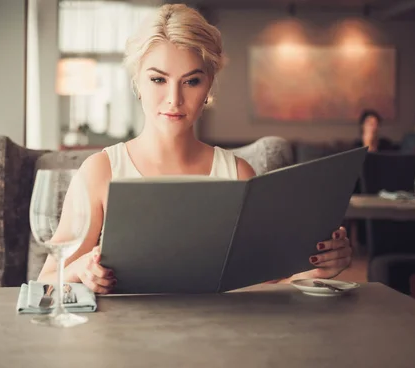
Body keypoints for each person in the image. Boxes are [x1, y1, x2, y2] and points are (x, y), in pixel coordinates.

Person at [37, 4, 353, 293]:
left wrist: (316, 271)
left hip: (219, 342)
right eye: (158, 80)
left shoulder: (238, 173)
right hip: (124, 344)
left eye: (191, 81)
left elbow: (268, 283)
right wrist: (83, 269)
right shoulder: (101, 171)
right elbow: (48, 281)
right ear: (137, 83)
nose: (174, 99)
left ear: (209, 85)